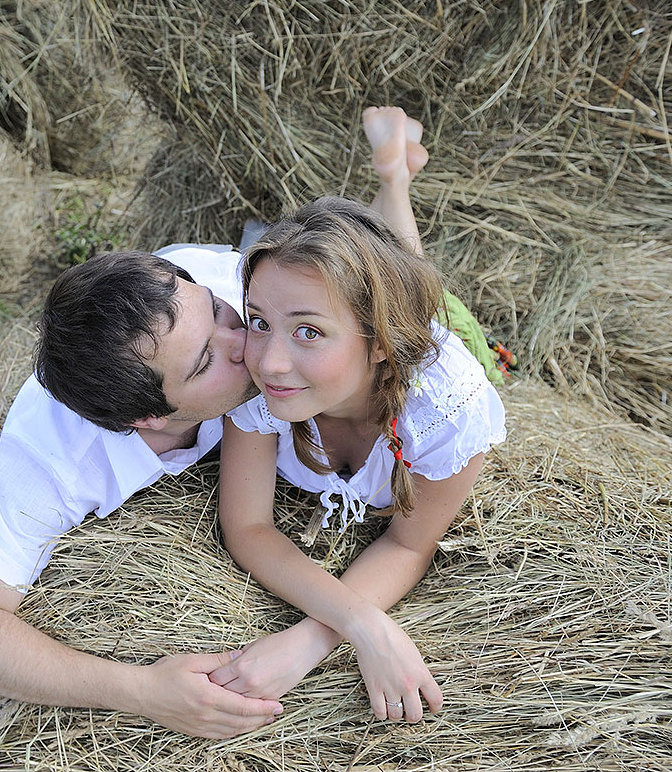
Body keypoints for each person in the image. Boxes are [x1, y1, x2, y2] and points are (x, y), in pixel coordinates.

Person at [0, 108, 438, 738]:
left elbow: (394, 308)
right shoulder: (57, 455)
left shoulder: (235, 294)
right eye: (206, 360)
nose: (249, 345)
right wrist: (138, 691)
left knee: (412, 317)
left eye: (222, 314)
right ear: (150, 417)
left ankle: (393, 183)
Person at [207, 180, 506, 722]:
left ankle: (394, 176)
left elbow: (408, 546)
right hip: (382, 322)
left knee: (421, 282)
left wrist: (306, 643)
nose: (270, 361)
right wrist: (362, 624)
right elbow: (247, 527)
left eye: (309, 333)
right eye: (260, 321)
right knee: (392, 271)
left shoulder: (447, 406)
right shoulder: (256, 377)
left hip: (432, 336)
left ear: (380, 343)